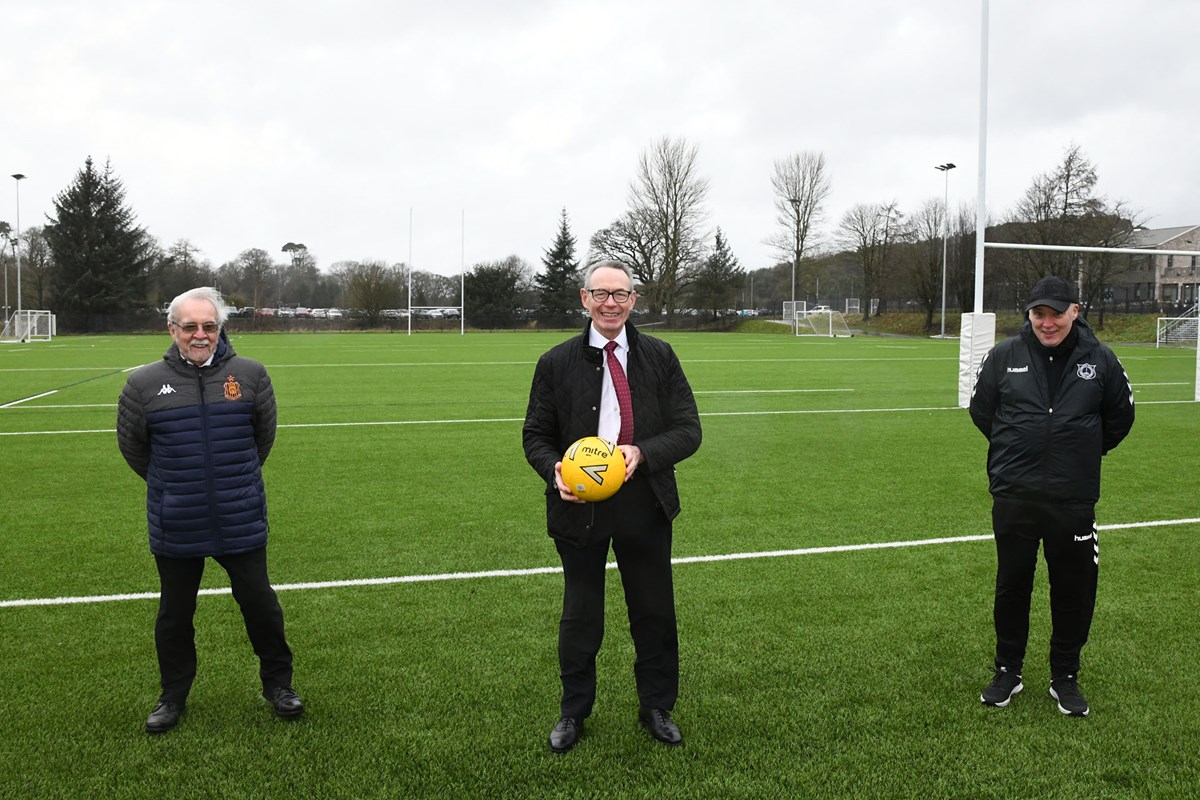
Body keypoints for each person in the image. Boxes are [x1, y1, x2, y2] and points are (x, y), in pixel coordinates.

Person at [523, 261, 702, 752]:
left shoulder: (660, 356)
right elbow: (534, 435)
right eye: (600, 293)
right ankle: (573, 712)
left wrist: (642, 453)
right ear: (584, 299)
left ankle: (656, 705)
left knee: (654, 612)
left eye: (619, 294)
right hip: (578, 509)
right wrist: (554, 469)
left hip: (644, 502)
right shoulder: (555, 361)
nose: (610, 303)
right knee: (582, 617)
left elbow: (689, 430)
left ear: (633, 299)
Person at [117, 287, 303, 733]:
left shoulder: (251, 374)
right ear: (173, 330)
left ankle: (279, 685)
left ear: (220, 329)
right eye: (190, 327)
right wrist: (176, 486)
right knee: (175, 615)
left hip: (238, 516)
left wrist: (229, 483)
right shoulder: (142, 384)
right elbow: (134, 449)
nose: (200, 335)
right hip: (177, 519)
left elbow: (262, 440)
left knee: (261, 605)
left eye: (209, 326)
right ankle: (172, 696)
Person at [969, 276, 1134, 717]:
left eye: (1056, 313)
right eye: (1038, 313)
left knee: (1073, 591)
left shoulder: (1101, 360)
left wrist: (1077, 452)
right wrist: (1016, 448)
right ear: (1029, 314)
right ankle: (1008, 670)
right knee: (1012, 586)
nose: (1047, 322)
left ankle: (1065, 676)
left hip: (1072, 499)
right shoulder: (1005, 355)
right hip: (1015, 496)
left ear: (1075, 311)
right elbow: (981, 410)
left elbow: (1120, 417)